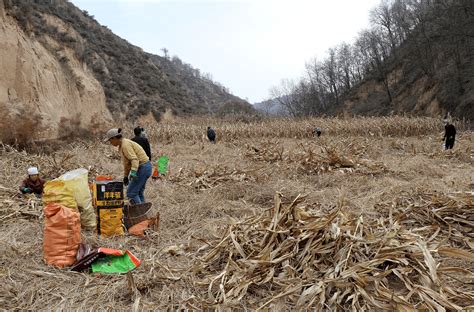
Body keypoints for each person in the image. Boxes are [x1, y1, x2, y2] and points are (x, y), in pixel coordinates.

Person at [104, 128, 152, 204]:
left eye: (110, 140)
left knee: (131, 194)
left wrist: (133, 172)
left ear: (115, 138)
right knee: (138, 192)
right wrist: (126, 176)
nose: (110, 142)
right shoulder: (123, 144)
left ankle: (139, 213)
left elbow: (134, 160)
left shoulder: (125, 145)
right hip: (146, 167)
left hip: (142, 168)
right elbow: (127, 164)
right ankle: (144, 213)